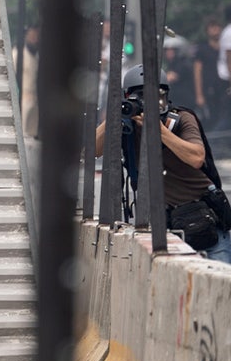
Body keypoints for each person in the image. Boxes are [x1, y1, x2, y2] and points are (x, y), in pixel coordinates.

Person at [95, 65, 231, 264]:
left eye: (156, 97)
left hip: (205, 218)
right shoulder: (126, 128)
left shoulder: (180, 119)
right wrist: (116, 114)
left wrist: (160, 131)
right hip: (165, 224)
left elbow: (196, 157)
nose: (147, 103)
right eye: (139, 98)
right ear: (127, 97)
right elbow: (90, 151)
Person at [194, 16, 225, 123]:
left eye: (217, 27)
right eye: (212, 27)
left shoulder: (226, 47)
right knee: (213, 117)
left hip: (224, 85)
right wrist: (199, 95)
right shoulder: (202, 49)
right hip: (209, 88)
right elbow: (197, 72)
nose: (215, 30)